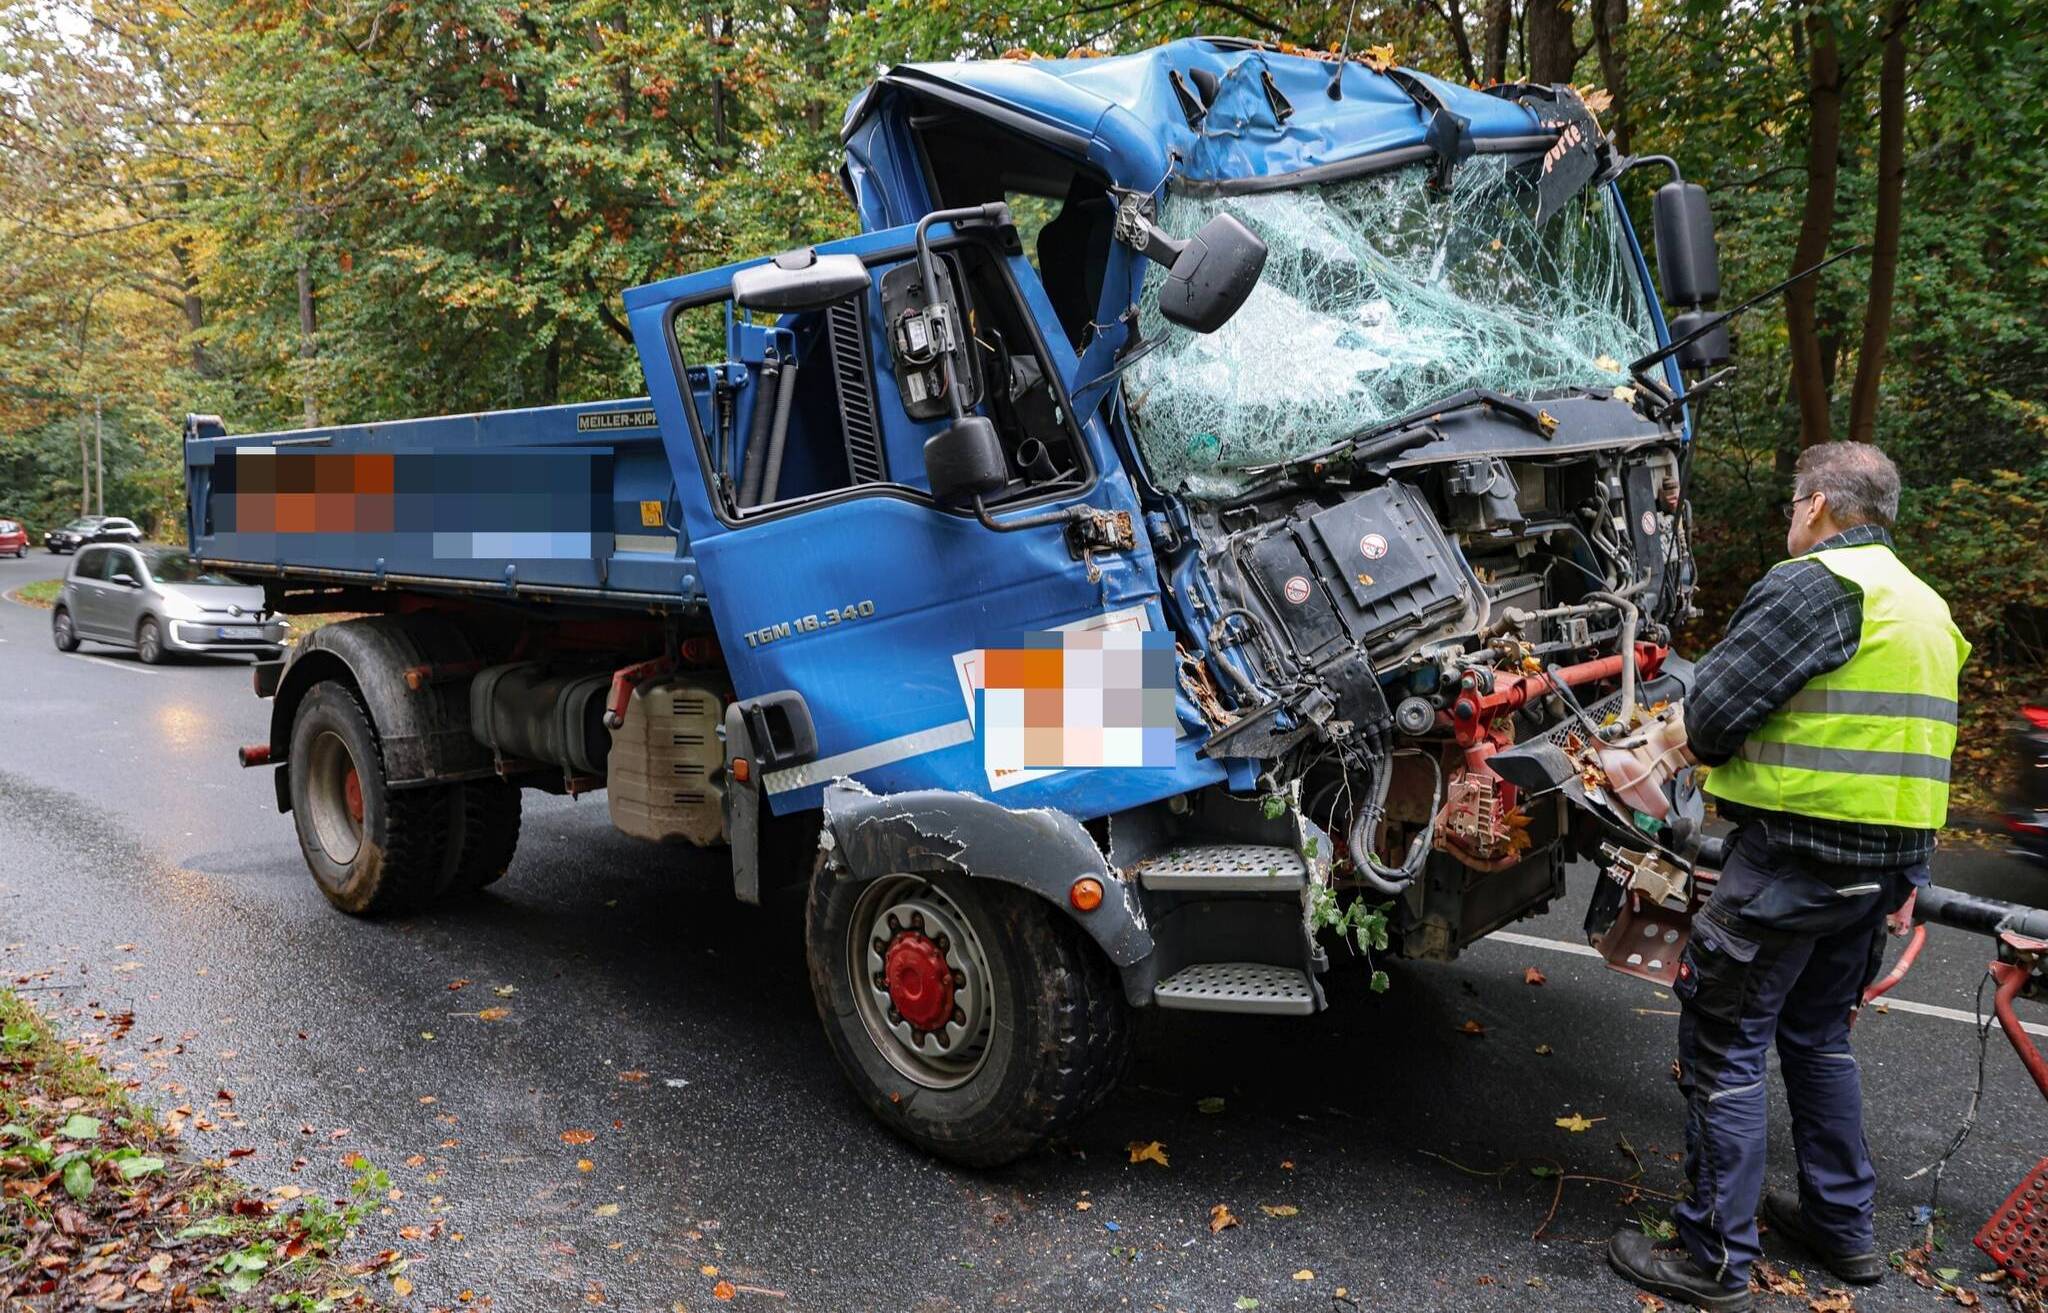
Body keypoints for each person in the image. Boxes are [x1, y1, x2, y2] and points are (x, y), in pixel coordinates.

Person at [1604, 442, 1970, 1313]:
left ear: (1815, 506)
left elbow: (1718, 715)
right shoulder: (1924, 605)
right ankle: (1842, 1230)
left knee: (1724, 1045)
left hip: (1791, 868)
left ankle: (1713, 1257)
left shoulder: (1815, 585)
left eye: (1791, 507)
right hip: (1877, 872)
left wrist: (1664, 748)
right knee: (1816, 1040)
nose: (1788, 521)